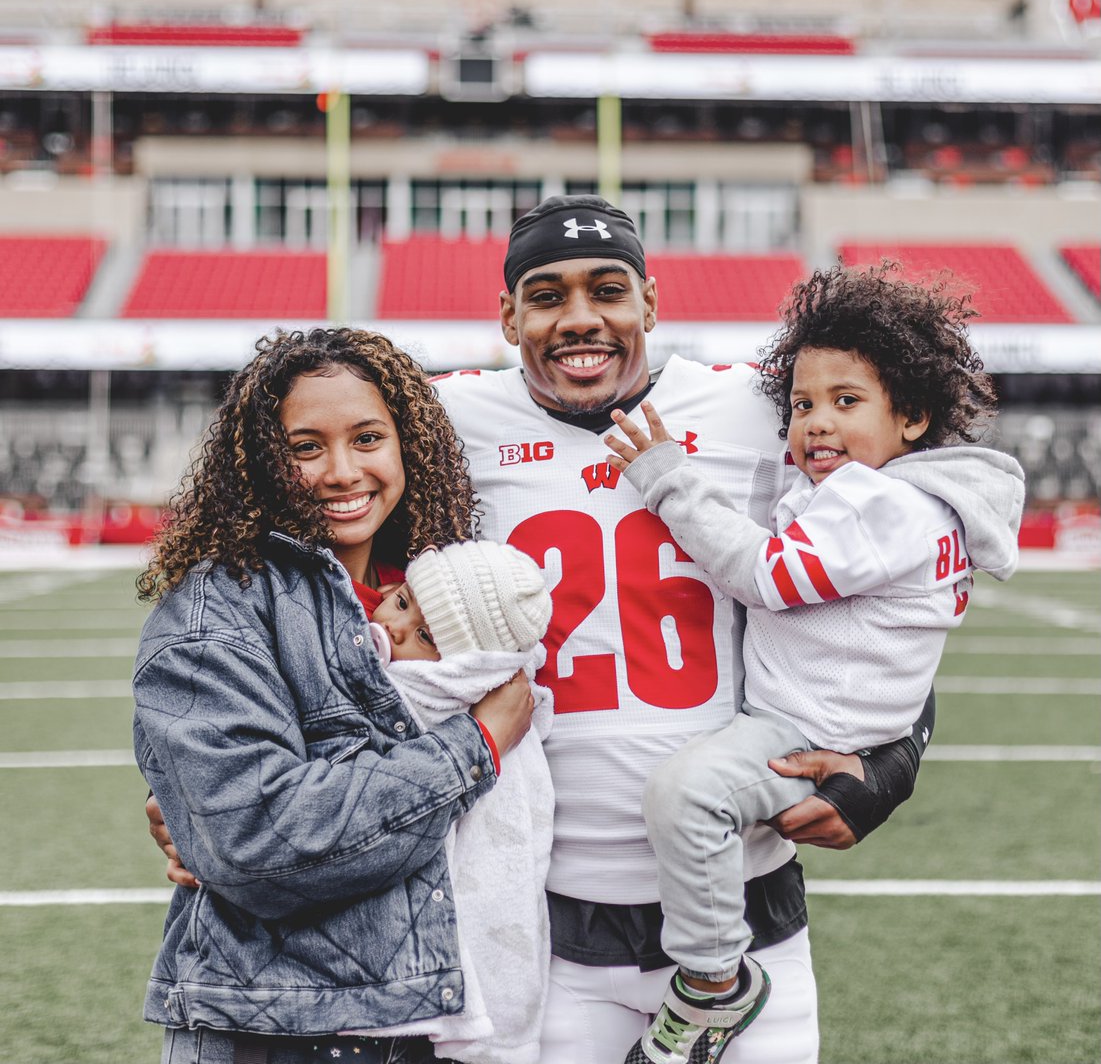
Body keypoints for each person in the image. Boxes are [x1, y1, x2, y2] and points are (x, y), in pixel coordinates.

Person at [149, 198, 937, 1064]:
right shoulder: (445, 425)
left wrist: (895, 760)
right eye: (546, 295)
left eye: (607, 291)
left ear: (650, 302)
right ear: (506, 315)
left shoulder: (760, 410)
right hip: (545, 920)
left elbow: (889, 582)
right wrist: (197, 795)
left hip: (746, 905)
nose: (580, 319)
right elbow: (323, 580)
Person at [604, 264, 1025, 1064]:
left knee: (684, 796)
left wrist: (668, 482)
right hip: (840, 724)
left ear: (911, 418)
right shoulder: (899, 494)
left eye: (845, 401)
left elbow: (767, 576)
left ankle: (710, 983)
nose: (815, 424)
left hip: (807, 732)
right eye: (801, 405)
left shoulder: (885, 502)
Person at [133, 326, 536, 1064]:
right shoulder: (215, 608)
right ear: (260, 460)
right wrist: (473, 747)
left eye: (367, 439)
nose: (342, 471)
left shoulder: (443, 601)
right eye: (305, 447)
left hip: (437, 1016)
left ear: (407, 446)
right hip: (281, 1027)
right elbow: (260, 840)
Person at [367, 539, 556, 1064]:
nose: (395, 628)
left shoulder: (432, 697)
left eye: (426, 636)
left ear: (467, 666)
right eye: (401, 601)